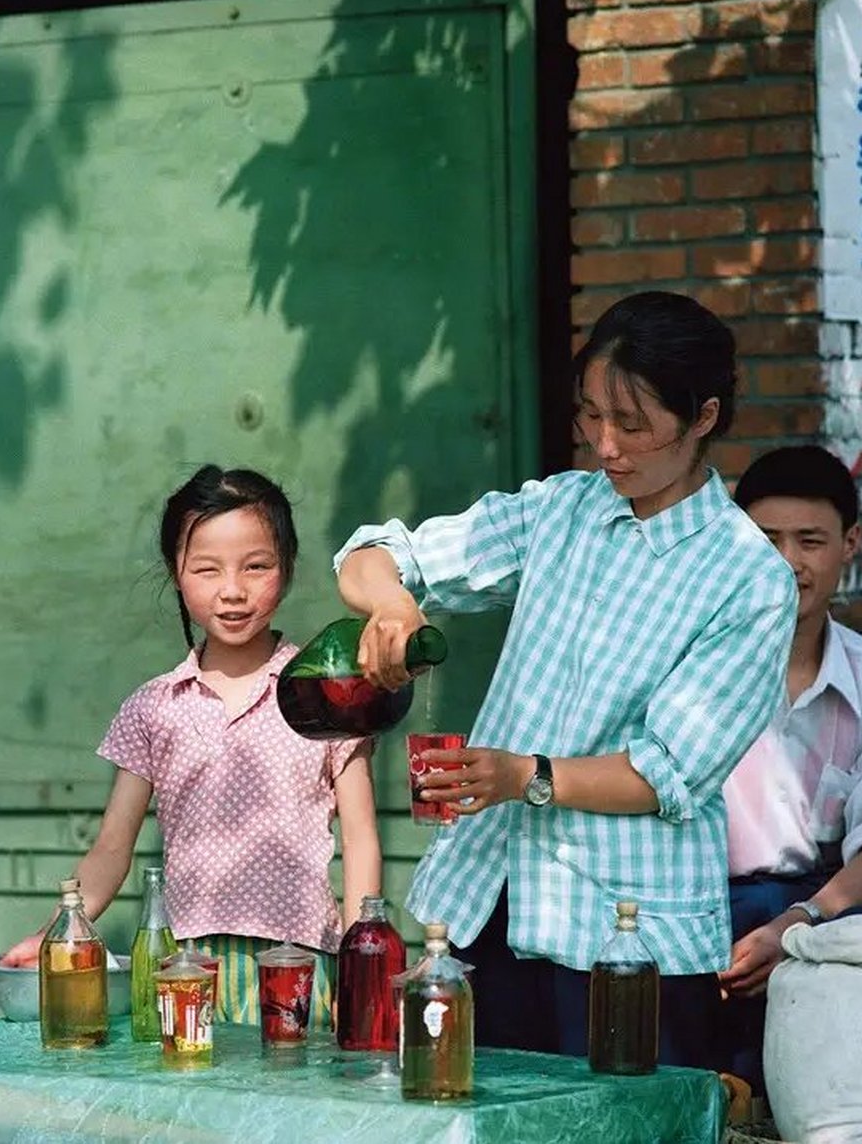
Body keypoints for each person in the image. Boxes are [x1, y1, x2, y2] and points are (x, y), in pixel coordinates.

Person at [333, 290, 797, 1067]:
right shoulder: (563, 508)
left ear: (704, 418)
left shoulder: (748, 578)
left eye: (633, 424)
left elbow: (666, 772)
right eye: (590, 417)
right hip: (489, 899)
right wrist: (392, 608)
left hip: (627, 932)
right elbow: (375, 553)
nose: (606, 445)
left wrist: (524, 776)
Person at [2, 465, 382, 1026]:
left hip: (300, 968)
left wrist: (362, 968)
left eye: (257, 567)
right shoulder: (155, 706)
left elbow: (362, 840)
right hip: (181, 971)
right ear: (176, 575)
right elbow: (111, 849)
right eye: (207, 569)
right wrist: (56, 932)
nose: (232, 590)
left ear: (289, 569)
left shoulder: (327, 694)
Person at [718, 444, 862, 1091]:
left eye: (809, 541)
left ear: (849, 543)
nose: (787, 563)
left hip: (813, 908)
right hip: (690, 903)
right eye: (765, 539)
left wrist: (799, 922)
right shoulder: (689, 664)